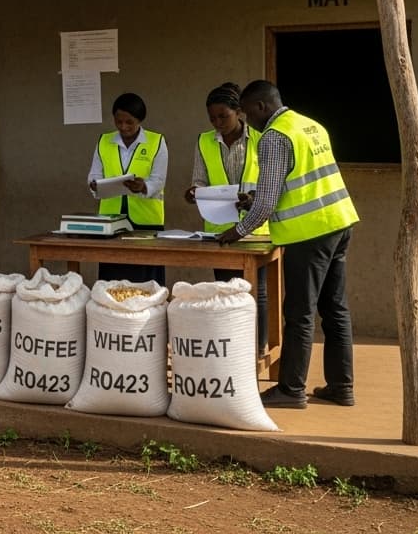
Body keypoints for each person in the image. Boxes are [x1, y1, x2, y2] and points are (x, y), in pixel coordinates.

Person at [218, 80, 359, 409]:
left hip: (308, 234)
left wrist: (236, 231)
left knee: (299, 313)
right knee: (335, 310)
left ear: (261, 107)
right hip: (338, 222)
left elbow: (266, 204)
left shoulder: (274, 136)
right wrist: (254, 199)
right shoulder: (309, 125)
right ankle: (342, 387)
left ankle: (291, 390)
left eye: (247, 112)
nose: (246, 120)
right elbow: (296, 182)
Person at [184, 82, 269, 351]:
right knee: (224, 289)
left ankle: (258, 347)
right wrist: (194, 192)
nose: (217, 122)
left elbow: (270, 180)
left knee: (257, 291)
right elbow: (199, 179)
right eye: (212, 118)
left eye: (223, 116)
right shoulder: (204, 141)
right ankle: (231, 346)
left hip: (256, 228)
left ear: (239, 112)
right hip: (219, 229)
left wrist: (253, 198)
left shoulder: (260, 138)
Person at [87, 92, 168, 285]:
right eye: (119, 121)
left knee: (146, 280)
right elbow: (94, 175)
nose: (124, 127)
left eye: (129, 122)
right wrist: (95, 185)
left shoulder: (156, 142)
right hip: (110, 223)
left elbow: (159, 180)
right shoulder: (104, 141)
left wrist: (144, 186)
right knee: (112, 279)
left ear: (140, 120)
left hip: (146, 222)